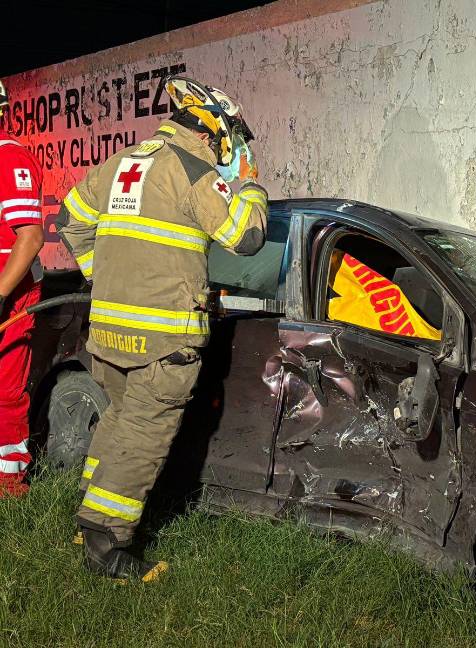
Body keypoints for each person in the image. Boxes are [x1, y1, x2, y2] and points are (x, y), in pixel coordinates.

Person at [56, 76, 268, 581]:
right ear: (211, 128)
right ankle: (107, 544)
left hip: (109, 333)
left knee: (118, 423)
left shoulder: (123, 163)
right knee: (145, 434)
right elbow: (248, 236)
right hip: (162, 339)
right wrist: (253, 185)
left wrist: (103, 275)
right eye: (230, 137)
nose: (231, 148)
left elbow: (70, 219)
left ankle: (86, 522)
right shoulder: (193, 170)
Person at [0, 79, 45, 498]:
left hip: (9, 299)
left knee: (4, 393)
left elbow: (29, 239)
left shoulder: (10, 157)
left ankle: (9, 486)